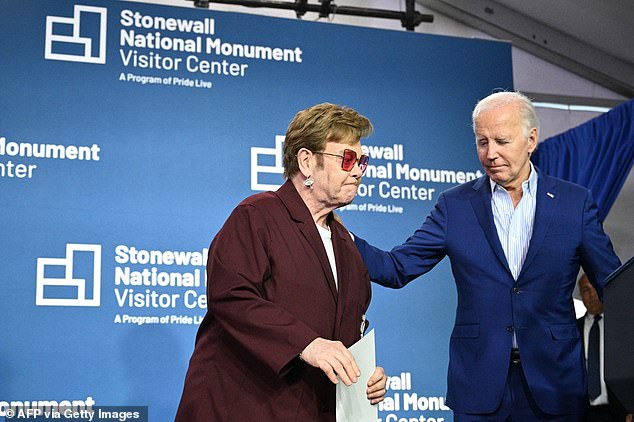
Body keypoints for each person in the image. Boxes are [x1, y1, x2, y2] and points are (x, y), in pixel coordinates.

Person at [354, 91, 622, 421]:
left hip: (557, 386)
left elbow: (616, 290)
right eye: (482, 142)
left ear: (531, 139)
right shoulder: (455, 206)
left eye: (501, 141)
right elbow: (397, 268)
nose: (490, 153)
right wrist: (338, 236)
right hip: (478, 386)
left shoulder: (573, 203)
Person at [175, 103, 387, 421]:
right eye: (347, 158)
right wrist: (307, 344)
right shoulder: (257, 216)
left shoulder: (348, 249)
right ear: (306, 161)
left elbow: (346, 337)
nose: (357, 170)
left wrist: (362, 375)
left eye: (362, 161)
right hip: (240, 407)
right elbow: (232, 297)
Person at [577, 274, 631, 422]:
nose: (592, 294)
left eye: (595, 288)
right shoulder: (573, 329)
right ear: (581, 295)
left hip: (620, 412)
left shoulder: (624, 326)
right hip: (582, 413)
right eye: (586, 290)